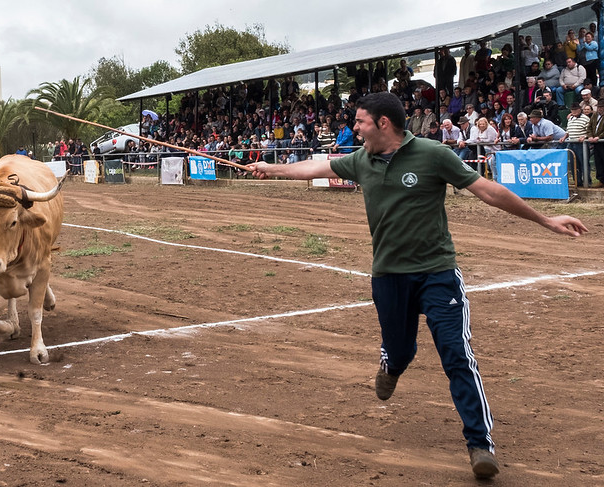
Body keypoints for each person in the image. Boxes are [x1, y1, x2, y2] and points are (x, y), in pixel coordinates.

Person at [246, 92, 587, 480]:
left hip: (437, 273)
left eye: (360, 122)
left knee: (457, 356)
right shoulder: (361, 160)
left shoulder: (432, 154)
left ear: (383, 124)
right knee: (401, 351)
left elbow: (488, 191)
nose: (354, 128)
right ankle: (391, 364)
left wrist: (546, 220)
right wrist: (271, 170)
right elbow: (314, 166)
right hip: (389, 277)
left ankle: (480, 444)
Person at [565, 102, 591, 186]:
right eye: (572, 110)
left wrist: (585, 136)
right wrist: (564, 137)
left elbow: (589, 130)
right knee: (574, 164)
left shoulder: (585, 118)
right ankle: (577, 182)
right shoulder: (570, 118)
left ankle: (587, 181)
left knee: (584, 163)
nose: (574, 111)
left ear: (580, 109)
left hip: (581, 144)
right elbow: (568, 130)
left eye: (576, 109)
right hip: (571, 142)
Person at [585, 99, 604, 187]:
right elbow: (589, 127)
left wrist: (599, 137)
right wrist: (590, 136)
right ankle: (601, 180)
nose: (600, 109)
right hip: (596, 143)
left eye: (601, 107)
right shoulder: (595, 115)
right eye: (599, 107)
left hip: (602, 141)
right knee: (598, 161)